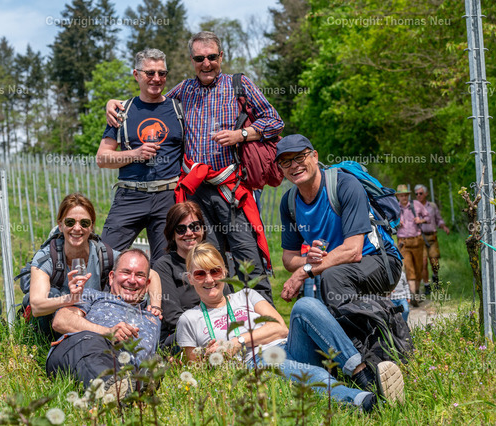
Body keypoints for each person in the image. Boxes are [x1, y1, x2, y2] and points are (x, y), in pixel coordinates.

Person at [107, 31, 283, 304]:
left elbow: (274, 121)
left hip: (230, 189)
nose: (206, 63)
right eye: (199, 58)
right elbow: (152, 99)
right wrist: (115, 104)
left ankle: (264, 321)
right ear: (192, 60)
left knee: (247, 257)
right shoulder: (183, 91)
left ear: (221, 56)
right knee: (207, 263)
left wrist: (241, 135)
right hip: (196, 192)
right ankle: (220, 319)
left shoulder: (239, 84)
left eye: (211, 57)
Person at [176, 243, 405, 411]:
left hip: (290, 346)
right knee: (309, 373)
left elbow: (280, 328)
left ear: (225, 272)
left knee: (305, 305)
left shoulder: (246, 295)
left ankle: (360, 373)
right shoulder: (189, 319)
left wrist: (237, 341)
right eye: (200, 274)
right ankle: (366, 402)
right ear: (190, 278)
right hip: (254, 364)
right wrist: (210, 357)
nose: (209, 279)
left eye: (215, 271)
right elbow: (197, 371)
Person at [277, 135, 403, 310]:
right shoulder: (289, 202)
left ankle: (374, 322)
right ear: (281, 168)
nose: (294, 165)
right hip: (337, 269)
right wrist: (308, 259)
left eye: (299, 157)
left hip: (380, 261)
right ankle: (377, 323)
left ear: (315, 156)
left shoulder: (344, 185)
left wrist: (304, 271)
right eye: (286, 162)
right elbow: (288, 259)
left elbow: (353, 251)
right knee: (330, 286)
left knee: (332, 277)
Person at [96, 48, 184, 265]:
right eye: (150, 73)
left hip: (168, 198)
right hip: (130, 196)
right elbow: (102, 158)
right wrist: (135, 154)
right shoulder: (122, 111)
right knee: (105, 258)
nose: (156, 78)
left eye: (162, 73)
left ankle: (158, 290)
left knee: (166, 265)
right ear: (136, 75)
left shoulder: (179, 109)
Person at [29, 193, 162, 334]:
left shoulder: (104, 255)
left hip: (93, 323)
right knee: (53, 294)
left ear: (92, 226)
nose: (77, 228)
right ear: (60, 225)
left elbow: (152, 275)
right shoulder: (47, 257)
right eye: (70, 222)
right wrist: (70, 299)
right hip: (57, 325)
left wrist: (155, 307)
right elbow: (36, 306)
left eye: (84, 223)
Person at [46, 249, 161, 391]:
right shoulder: (93, 295)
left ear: (147, 284)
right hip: (81, 348)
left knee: (141, 364)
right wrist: (108, 332)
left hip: (124, 364)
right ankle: (118, 389)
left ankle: (130, 384)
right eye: (126, 272)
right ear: (111, 277)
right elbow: (61, 320)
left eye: (139, 275)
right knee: (92, 344)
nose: (132, 280)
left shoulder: (152, 317)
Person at [153, 201, 233, 347]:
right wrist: (210, 330)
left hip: (220, 328)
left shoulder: (213, 259)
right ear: (172, 234)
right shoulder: (164, 266)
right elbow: (172, 318)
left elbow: (230, 302)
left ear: (202, 229)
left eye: (195, 227)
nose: (189, 233)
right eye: (181, 229)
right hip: (183, 334)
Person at [395, 184, 429, 306]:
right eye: (401, 195)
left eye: (405, 195)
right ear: (398, 196)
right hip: (403, 242)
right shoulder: (394, 207)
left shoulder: (416, 205)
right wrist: (396, 223)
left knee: (419, 268)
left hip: (417, 240)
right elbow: (389, 222)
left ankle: (416, 291)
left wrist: (420, 220)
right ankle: (413, 295)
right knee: (409, 268)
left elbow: (428, 217)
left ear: (408, 195)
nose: (404, 197)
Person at [414, 184, 450, 294]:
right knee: (423, 262)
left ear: (426, 194)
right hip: (420, 238)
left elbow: (438, 219)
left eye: (420, 193)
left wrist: (443, 227)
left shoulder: (432, 206)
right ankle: (426, 286)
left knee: (434, 262)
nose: (418, 195)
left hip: (432, 237)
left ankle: (435, 276)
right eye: (416, 194)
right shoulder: (413, 207)